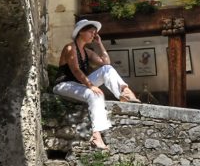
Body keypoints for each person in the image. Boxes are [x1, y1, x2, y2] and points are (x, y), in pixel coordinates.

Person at [53, 19, 140, 150]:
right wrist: (90, 85)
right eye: (91, 32)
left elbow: (106, 62)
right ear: (81, 32)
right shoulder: (70, 47)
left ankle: (124, 93)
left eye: (95, 33)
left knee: (107, 69)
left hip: (79, 85)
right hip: (63, 85)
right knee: (95, 94)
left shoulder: (87, 52)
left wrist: (99, 44)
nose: (94, 35)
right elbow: (76, 70)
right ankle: (96, 136)